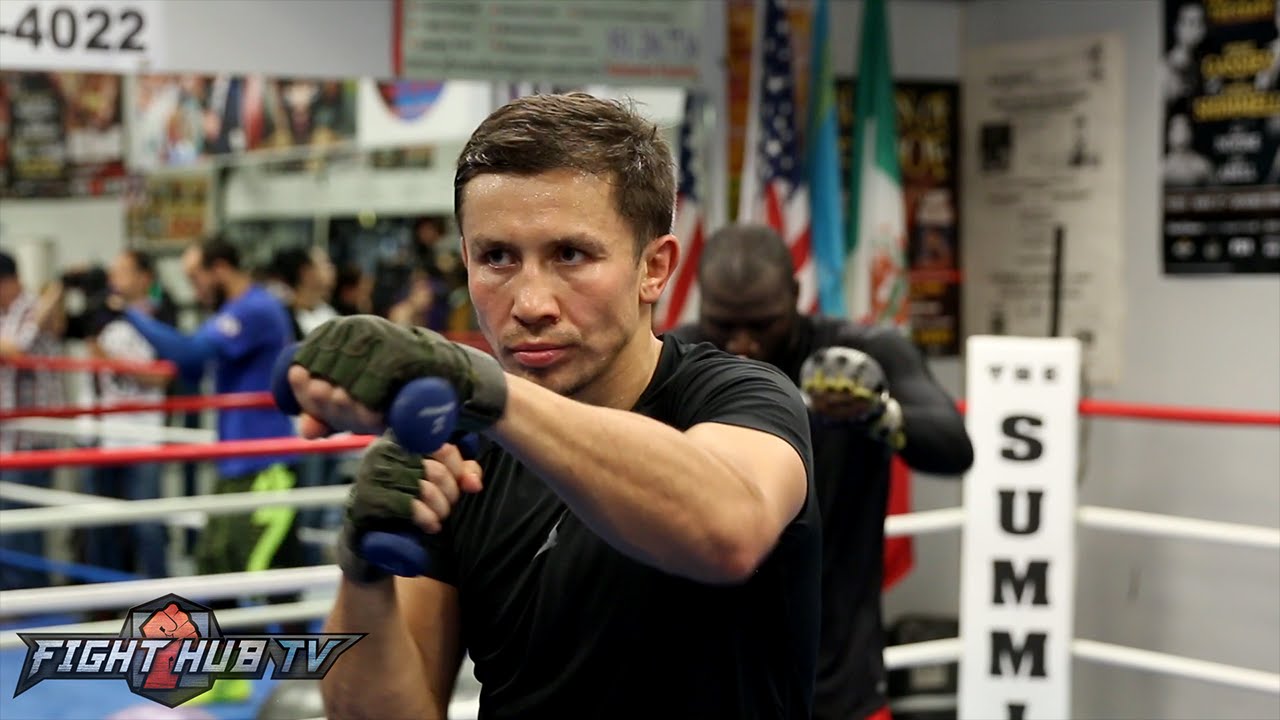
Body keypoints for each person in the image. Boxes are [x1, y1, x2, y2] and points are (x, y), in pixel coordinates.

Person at [283, 93, 822, 719]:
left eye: (570, 255)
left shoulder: (739, 397)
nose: (531, 303)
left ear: (654, 267)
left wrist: (482, 388)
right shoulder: (458, 454)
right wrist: (364, 567)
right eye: (497, 258)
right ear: (465, 261)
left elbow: (727, 533)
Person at [668, 223, 975, 720]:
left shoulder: (862, 353)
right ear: (702, 301)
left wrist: (879, 413)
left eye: (762, 325)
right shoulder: (675, 360)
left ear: (795, 294)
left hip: (837, 673)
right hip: (709, 669)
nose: (743, 344)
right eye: (724, 325)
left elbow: (953, 447)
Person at [120, 237, 305, 700]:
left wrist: (129, 314)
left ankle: (294, 679)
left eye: (197, 277)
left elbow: (187, 356)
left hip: (264, 466)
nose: (195, 289)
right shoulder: (242, 311)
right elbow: (193, 363)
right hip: (244, 461)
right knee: (261, 569)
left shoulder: (254, 310)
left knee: (241, 568)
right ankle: (244, 677)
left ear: (220, 267)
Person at [81, 249, 174, 579]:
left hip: (144, 435)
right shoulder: (102, 313)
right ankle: (104, 601)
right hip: (106, 434)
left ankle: (159, 602)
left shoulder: (161, 315)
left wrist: (112, 361)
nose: (114, 279)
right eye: (112, 271)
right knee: (102, 523)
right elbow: (91, 363)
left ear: (144, 277)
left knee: (147, 525)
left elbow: (163, 374)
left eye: (122, 271)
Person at [0, 250, 66, 590]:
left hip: (33, 436)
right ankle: (19, 591)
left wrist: (54, 293)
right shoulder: (6, 312)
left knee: (21, 518)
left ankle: (24, 593)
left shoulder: (32, 309)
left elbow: (17, 348)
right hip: (7, 437)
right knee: (11, 517)